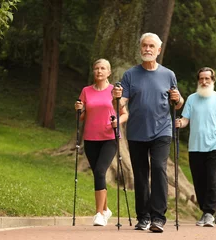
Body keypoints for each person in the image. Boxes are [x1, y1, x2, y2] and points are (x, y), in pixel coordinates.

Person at [112, 32, 184, 233]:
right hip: (136, 132)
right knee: (141, 174)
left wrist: (178, 99)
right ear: (140, 48)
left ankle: (158, 217)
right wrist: (116, 97)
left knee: (159, 168)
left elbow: (177, 101)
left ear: (158, 50)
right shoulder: (130, 75)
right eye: (144, 45)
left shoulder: (168, 75)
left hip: (162, 130)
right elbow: (121, 103)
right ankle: (143, 217)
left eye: (151, 46)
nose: (147, 49)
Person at [74, 59, 128, 226]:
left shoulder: (115, 91)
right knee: (98, 173)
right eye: (96, 68)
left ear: (109, 72)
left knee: (99, 170)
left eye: (103, 68)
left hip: (109, 138)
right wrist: (78, 109)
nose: (99, 71)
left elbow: (125, 114)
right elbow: (82, 116)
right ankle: (106, 209)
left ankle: (99, 214)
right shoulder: (86, 91)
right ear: (93, 71)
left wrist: (117, 122)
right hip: (90, 138)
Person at [175, 67, 216, 227]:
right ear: (198, 81)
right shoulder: (191, 99)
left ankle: (210, 213)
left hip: (214, 145)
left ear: (213, 80)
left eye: (207, 79)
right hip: (195, 146)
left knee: (212, 180)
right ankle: (205, 211)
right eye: (201, 79)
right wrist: (179, 123)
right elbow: (185, 119)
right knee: (199, 181)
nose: (204, 82)